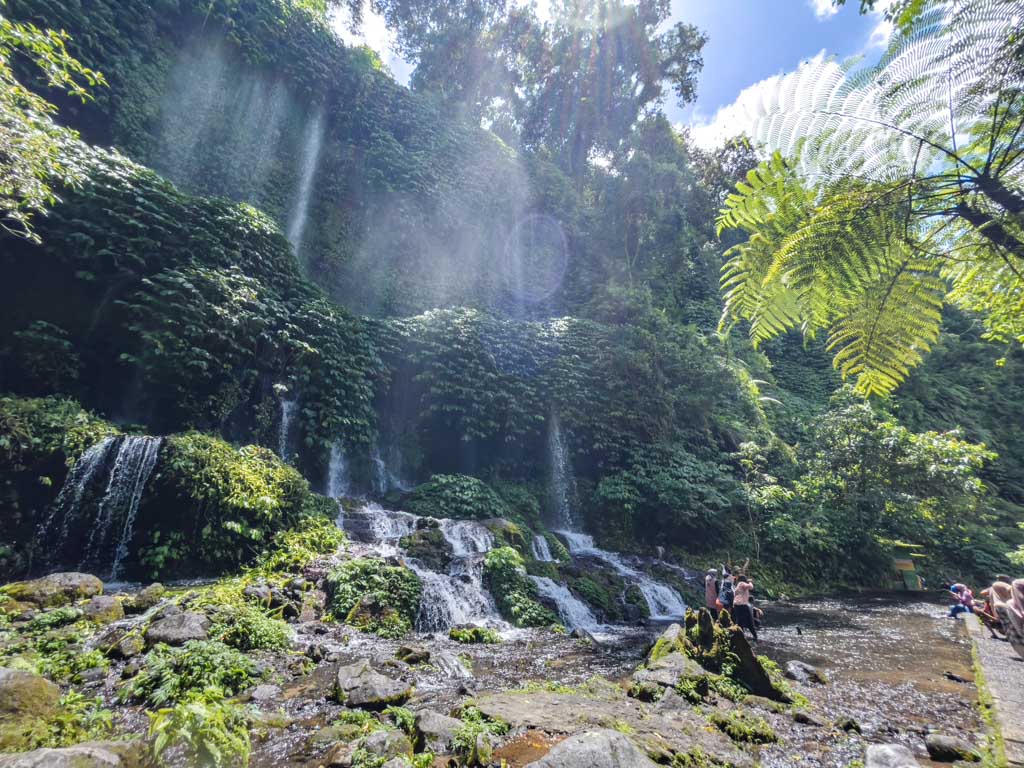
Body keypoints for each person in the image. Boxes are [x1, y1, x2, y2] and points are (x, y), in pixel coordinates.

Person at [732, 575, 758, 641]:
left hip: (736, 605)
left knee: (739, 621)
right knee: (749, 620)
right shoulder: (742, 584)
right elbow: (751, 587)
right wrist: (750, 582)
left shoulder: (738, 586)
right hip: (742, 604)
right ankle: (755, 636)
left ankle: (738, 635)